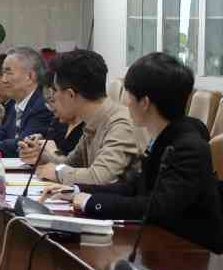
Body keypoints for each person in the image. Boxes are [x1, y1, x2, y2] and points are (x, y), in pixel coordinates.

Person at [41, 53, 223, 251]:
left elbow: (158, 207)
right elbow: (134, 187)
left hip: (189, 253)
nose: (126, 103)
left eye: (128, 95)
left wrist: (92, 202)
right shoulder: (163, 137)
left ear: (144, 103)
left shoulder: (189, 147)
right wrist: (78, 191)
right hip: (159, 243)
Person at [20, 50, 137, 185]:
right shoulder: (94, 121)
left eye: (55, 91)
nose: (54, 97)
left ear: (70, 95)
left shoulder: (120, 124)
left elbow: (100, 177)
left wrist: (57, 172)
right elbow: (71, 164)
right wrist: (43, 157)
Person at [0, 47, 53, 158]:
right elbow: (4, 134)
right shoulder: (16, 102)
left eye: (8, 73)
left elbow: (21, 145)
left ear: (30, 77)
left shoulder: (43, 105)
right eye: (3, 73)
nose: (3, 80)